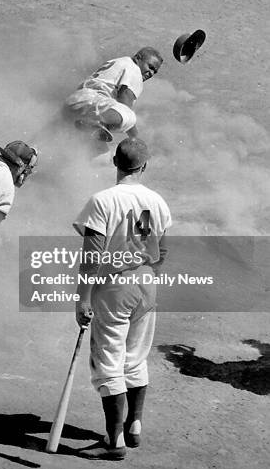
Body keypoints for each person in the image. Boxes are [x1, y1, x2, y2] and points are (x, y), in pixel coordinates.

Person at [72, 138, 171, 460]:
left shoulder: (103, 200)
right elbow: (159, 251)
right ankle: (134, 426)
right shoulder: (152, 200)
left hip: (115, 289)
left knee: (109, 363)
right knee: (135, 357)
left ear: (114, 162)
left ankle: (113, 443)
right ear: (144, 166)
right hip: (146, 284)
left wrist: (82, 299)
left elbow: (92, 256)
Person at [64, 47, 163, 143]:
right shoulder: (134, 69)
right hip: (92, 104)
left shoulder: (120, 62)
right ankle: (94, 120)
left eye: (155, 71)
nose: (151, 73)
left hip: (76, 102)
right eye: (150, 67)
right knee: (129, 117)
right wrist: (137, 139)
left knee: (101, 155)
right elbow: (125, 100)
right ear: (138, 58)